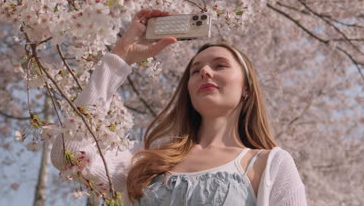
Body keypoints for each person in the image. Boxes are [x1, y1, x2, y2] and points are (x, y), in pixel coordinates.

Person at [51, 10, 307, 205]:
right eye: (195, 70)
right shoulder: (147, 163)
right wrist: (121, 57)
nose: (205, 71)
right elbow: (70, 156)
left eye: (219, 66)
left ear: (247, 88)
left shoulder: (269, 164)